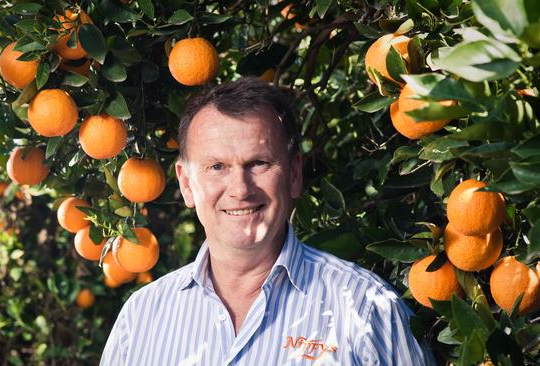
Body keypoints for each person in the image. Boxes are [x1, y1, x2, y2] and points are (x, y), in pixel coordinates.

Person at [100, 78, 435, 365]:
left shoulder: (369, 309)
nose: (240, 190)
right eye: (217, 167)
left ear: (294, 174)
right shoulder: (142, 317)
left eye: (258, 163)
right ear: (187, 184)